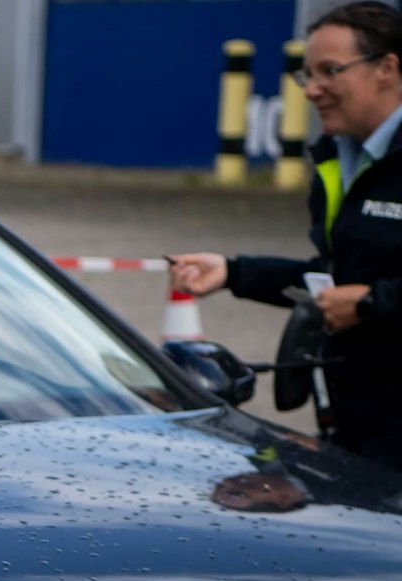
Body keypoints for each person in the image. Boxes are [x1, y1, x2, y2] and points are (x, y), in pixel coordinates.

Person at [170, 2, 402, 472]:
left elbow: (362, 294)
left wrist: (372, 303)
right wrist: (236, 273)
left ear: (387, 68)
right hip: (356, 424)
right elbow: (334, 279)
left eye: (329, 71)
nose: (312, 90)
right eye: (306, 75)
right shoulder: (340, 159)